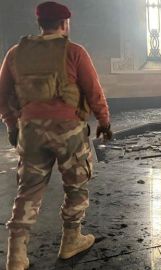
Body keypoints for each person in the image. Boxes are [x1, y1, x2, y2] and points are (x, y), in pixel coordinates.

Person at [0, 2, 113, 269]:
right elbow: (94, 92)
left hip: (30, 132)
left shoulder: (15, 54)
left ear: (40, 24)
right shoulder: (74, 52)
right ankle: (70, 240)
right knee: (76, 185)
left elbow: (2, 97)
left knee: (27, 190)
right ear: (65, 24)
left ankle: (16, 255)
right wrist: (105, 122)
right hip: (68, 132)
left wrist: (12, 126)